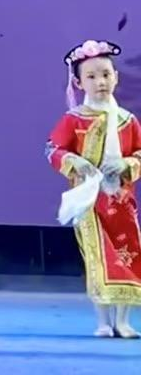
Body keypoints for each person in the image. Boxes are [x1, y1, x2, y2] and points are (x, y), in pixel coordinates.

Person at [46, 39, 141, 338]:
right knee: (97, 257)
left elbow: (139, 153)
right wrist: (74, 160)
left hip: (122, 201)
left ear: (116, 77)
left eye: (105, 74)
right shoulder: (73, 120)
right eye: (91, 76)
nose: (100, 82)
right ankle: (102, 320)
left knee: (129, 255)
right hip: (90, 201)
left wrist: (127, 163)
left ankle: (123, 320)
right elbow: (53, 149)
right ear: (78, 83)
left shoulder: (127, 121)